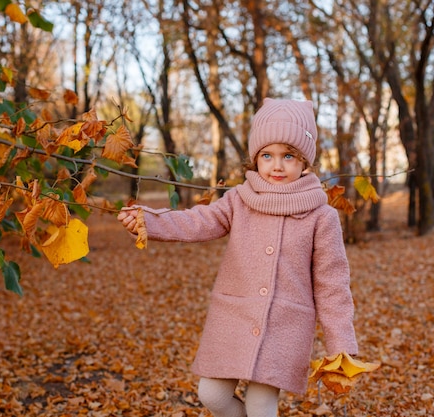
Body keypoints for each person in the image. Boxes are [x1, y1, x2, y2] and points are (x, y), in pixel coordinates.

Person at [117, 98, 359, 417]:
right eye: (267, 155)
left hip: (283, 326)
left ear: (306, 163)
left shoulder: (321, 216)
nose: (276, 165)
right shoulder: (240, 200)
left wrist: (341, 347)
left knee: (261, 405)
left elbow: (332, 287)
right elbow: (198, 220)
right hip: (233, 317)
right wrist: (150, 220)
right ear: (255, 159)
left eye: (288, 156)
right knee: (212, 395)